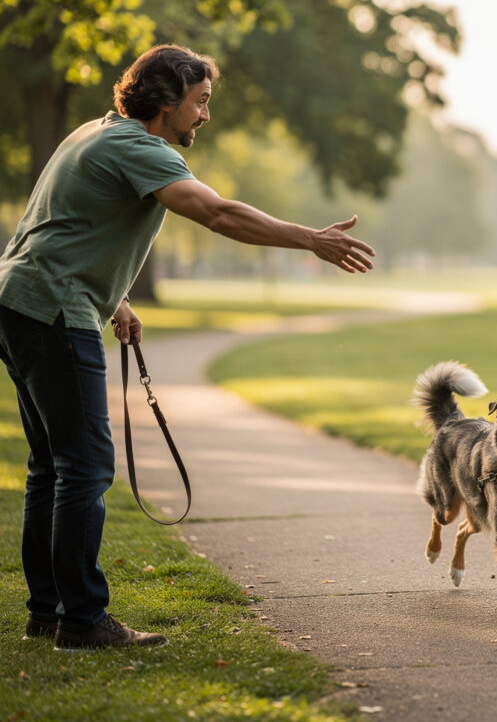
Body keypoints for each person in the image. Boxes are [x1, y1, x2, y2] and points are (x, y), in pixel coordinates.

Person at [0, 44, 375, 651]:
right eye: (199, 102)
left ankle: (48, 611)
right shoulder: (136, 147)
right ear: (165, 99)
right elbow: (218, 213)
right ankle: (82, 621)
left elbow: (62, 225)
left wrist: (113, 298)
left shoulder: (94, 134)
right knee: (86, 466)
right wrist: (309, 239)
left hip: (21, 304)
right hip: (52, 315)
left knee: (51, 466)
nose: (204, 115)